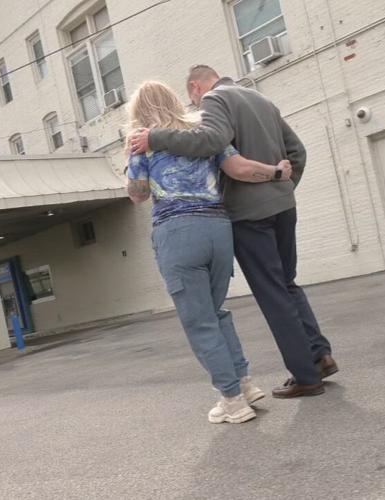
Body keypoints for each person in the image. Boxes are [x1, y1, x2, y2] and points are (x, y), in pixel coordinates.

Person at [129, 65, 337, 399]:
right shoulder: (261, 99)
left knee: (272, 293)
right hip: (282, 207)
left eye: (193, 99)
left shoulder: (213, 100)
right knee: (287, 283)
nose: (194, 107)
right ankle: (319, 356)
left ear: (195, 87)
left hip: (247, 215)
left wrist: (153, 138)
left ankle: (305, 376)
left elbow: (212, 141)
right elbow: (297, 152)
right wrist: (281, 189)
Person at [125, 81, 294, 423]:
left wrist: (131, 162)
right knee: (216, 312)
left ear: (138, 111)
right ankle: (244, 384)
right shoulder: (203, 133)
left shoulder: (142, 142)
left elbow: (138, 194)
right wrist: (276, 171)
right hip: (218, 229)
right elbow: (240, 168)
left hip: (177, 233)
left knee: (199, 321)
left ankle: (232, 400)